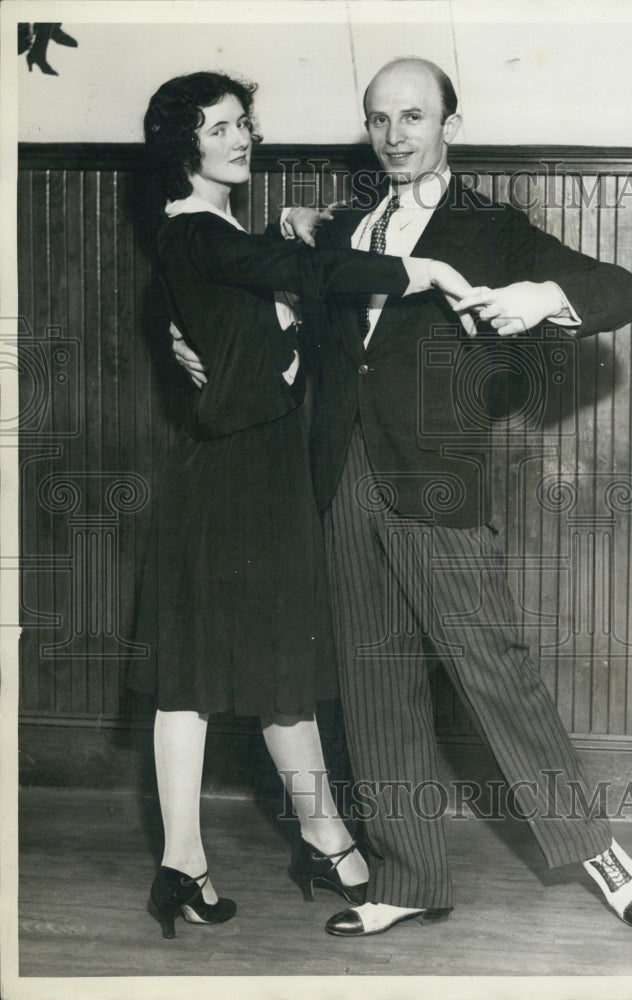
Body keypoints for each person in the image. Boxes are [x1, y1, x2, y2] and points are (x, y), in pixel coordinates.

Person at [173, 57, 632, 938]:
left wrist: (539, 296)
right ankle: (407, 875)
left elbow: (619, 291)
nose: (394, 135)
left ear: (450, 126)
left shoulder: (494, 228)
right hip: (337, 474)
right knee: (372, 684)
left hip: (436, 476)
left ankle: (597, 848)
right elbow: (278, 322)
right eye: (378, 119)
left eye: (413, 116)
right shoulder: (344, 227)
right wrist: (199, 345)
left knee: (492, 665)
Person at [131, 69, 472, 939]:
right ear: (184, 146)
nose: (241, 138)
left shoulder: (215, 235)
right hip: (232, 475)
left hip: (259, 472)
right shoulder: (196, 236)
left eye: (245, 122)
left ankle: (309, 841)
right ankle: (191, 857)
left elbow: (280, 284)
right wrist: (415, 268)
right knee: (198, 680)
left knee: (273, 669)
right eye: (218, 128)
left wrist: (289, 263)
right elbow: (294, 276)